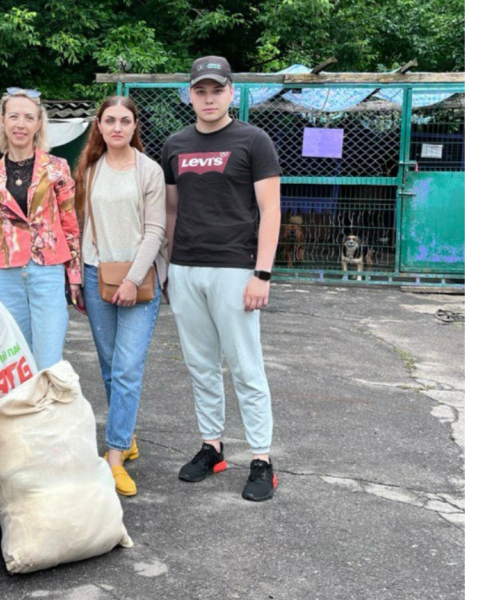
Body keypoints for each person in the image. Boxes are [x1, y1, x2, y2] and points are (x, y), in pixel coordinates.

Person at [160, 56, 282, 502]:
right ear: (190, 95)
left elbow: (271, 211)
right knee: (200, 364)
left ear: (231, 92)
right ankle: (212, 447)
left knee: (246, 367)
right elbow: (172, 211)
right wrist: (170, 269)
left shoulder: (253, 140)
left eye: (216, 90)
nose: (208, 98)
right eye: (200, 91)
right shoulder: (175, 144)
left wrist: (262, 274)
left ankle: (262, 460)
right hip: (186, 268)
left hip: (235, 268)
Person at [72, 96, 167, 497]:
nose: (116, 127)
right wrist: (78, 276)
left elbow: (155, 229)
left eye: (124, 121)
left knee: (128, 367)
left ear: (134, 126)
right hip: (96, 277)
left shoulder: (150, 171)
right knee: (111, 366)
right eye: (109, 120)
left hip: (139, 280)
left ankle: (114, 457)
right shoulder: (89, 171)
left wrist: (131, 278)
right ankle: (125, 437)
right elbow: (81, 225)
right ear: (98, 124)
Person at [0, 88, 81, 371]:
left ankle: (46, 415)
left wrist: (74, 274)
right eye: (13, 116)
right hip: (6, 273)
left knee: (48, 361)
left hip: (47, 270)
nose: (20, 124)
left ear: (38, 124)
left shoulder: (58, 168)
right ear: (2, 121)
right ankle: (20, 415)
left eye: (28, 117)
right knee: (16, 359)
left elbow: (70, 224)